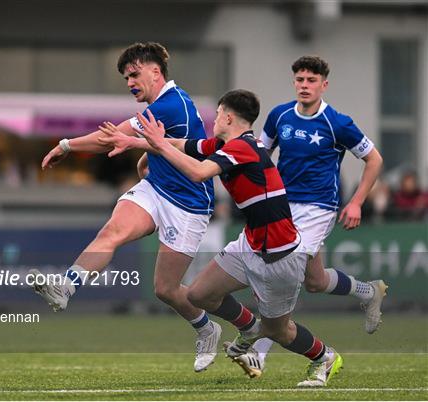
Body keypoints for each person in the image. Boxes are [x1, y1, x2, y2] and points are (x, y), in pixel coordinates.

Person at [102, 89, 343, 387]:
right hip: (250, 243)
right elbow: (185, 146)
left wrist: (159, 146)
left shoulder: (243, 148)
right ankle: (251, 329)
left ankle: (324, 357)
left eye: (217, 114)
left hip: (280, 254)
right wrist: (138, 143)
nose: (213, 119)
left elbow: (200, 173)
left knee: (281, 332)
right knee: (199, 295)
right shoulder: (223, 144)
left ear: (228, 116)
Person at [31, 42, 236, 372]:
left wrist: (66, 144)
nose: (129, 82)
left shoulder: (172, 104)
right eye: (126, 77)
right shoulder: (164, 104)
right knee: (111, 230)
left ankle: (207, 329)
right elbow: (159, 143)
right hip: (155, 189)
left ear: (156, 72)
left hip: (188, 205)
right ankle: (66, 287)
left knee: (165, 289)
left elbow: (109, 139)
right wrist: (146, 158)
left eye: (134, 74)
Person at [238, 55, 386, 375]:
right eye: (300, 80)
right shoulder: (279, 116)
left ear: (324, 84)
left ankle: (259, 352)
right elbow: (259, 157)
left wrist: (357, 201)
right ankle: (369, 291)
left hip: (319, 209)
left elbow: (374, 160)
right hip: (281, 207)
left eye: (311, 81)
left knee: (279, 269)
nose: (305, 86)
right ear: (294, 82)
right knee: (316, 281)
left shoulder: (338, 123)